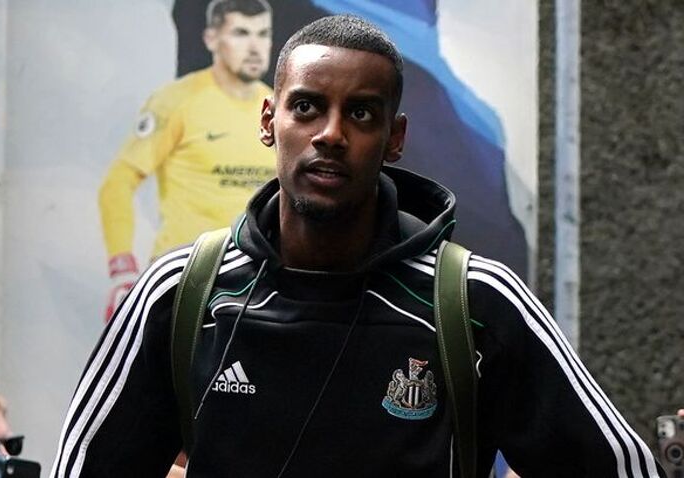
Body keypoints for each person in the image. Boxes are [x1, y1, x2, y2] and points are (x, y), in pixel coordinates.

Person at [53, 15, 664, 477]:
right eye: (306, 107)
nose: (331, 134)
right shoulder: (181, 294)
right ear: (269, 122)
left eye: (362, 114)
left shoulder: (474, 302)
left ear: (395, 138)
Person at [99, 0, 277, 321]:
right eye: (241, 33)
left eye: (262, 34)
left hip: (257, 286)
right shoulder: (177, 101)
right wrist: (122, 271)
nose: (254, 47)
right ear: (211, 39)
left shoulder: (279, 109)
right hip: (183, 281)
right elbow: (118, 184)